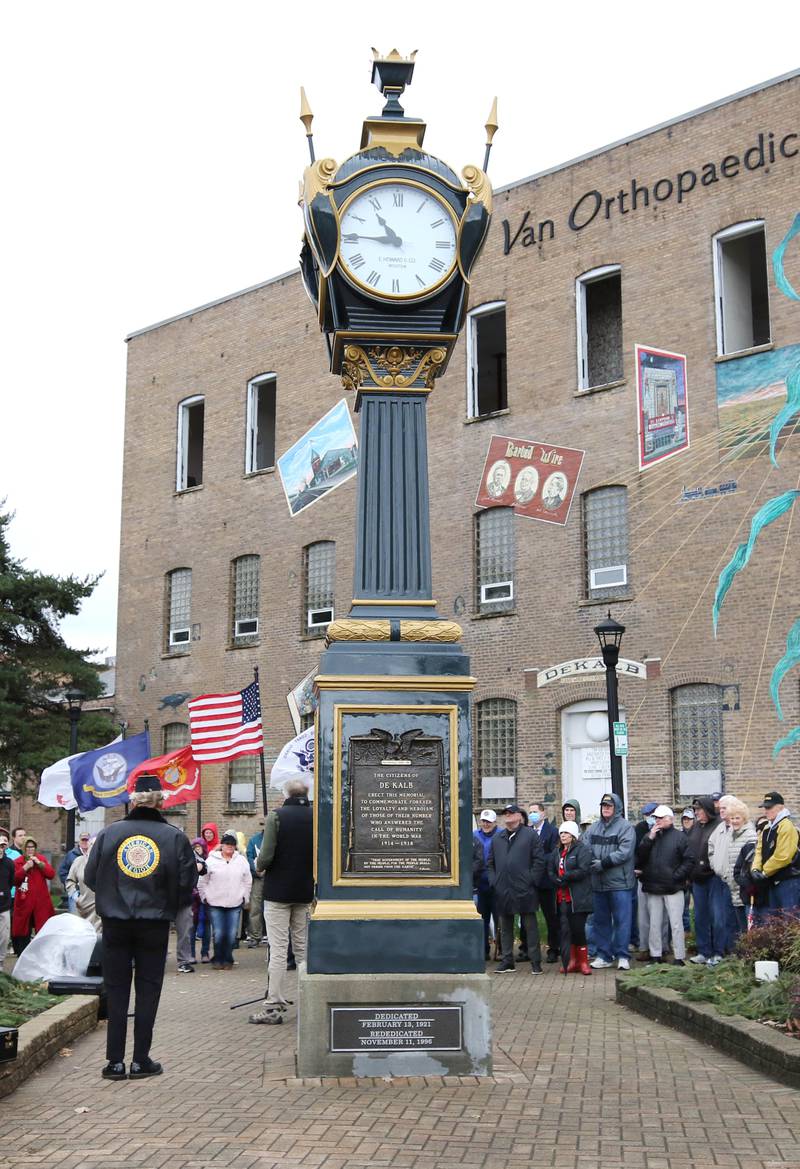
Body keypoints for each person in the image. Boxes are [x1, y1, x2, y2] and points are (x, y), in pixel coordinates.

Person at [84, 773, 198, 1080]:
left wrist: (111, 898)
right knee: (148, 990)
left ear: (133, 800)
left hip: (116, 922)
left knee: (117, 988)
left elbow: (90, 877)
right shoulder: (173, 837)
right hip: (153, 922)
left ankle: (114, 1062)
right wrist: (167, 904)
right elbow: (188, 882)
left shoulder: (110, 833)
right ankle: (140, 1059)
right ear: (161, 801)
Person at [250, 780, 313, 1024]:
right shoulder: (316, 816)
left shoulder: (277, 816)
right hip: (304, 890)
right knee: (302, 950)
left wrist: (259, 866)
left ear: (286, 793)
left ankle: (272, 1004)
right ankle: (307, 999)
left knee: (277, 950)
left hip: (278, 892)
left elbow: (265, 855)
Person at [487, 803, 545, 974]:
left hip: (524, 888)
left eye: (511, 813)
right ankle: (507, 961)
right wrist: (494, 881)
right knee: (505, 927)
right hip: (503, 889)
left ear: (519, 816)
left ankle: (535, 962)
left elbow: (539, 860)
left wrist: (531, 879)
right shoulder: (498, 838)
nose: (508, 817)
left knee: (530, 926)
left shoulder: (530, 835)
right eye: (505, 814)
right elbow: (490, 863)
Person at [635, 806, 693, 965]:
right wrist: (649, 838)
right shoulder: (650, 836)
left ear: (670, 819)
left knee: (676, 923)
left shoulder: (680, 837)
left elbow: (689, 860)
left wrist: (676, 877)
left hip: (673, 887)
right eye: (656, 818)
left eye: (661, 818)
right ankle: (655, 955)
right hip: (653, 886)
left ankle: (679, 956)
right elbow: (640, 857)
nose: (657, 821)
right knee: (654, 922)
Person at [584, 794, 636, 971]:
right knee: (601, 921)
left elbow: (625, 852)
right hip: (598, 883)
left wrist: (603, 863)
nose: (606, 808)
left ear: (617, 808)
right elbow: (585, 847)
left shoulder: (626, 827)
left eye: (609, 806)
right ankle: (604, 955)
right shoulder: (593, 828)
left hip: (620, 883)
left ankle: (622, 956)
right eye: (603, 805)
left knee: (622, 921)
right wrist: (592, 862)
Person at [198, 831, 252, 970]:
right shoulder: (211, 860)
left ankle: (228, 959)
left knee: (231, 934)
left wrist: (245, 897)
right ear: (221, 845)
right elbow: (202, 880)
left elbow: (247, 880)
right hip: (215, 902)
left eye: (232, 845)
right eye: (227, 844)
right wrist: (204, 896)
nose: (229, 847)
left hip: (235, 902)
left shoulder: (241, 861)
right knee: (219, 932)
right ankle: (218, 958)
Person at [549, 821, 593, 974]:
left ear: (573, 835)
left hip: (577, 897)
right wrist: (555, 878)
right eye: (561, 833)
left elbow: (583, 869)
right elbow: (551, 869)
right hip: (561, 897)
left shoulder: (582, 850)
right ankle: (571, 960)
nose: (563, 836)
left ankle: (583, 962)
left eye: (566, 833)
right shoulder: (557, 852)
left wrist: (566, 876)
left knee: (578, 929)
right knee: (565, 931)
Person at [751, 791, 800, 916]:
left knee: (789, 922)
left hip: (788, 881)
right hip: (772, 880)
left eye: (769, 807)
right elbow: (759, 850)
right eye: (765, 808)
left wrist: (764, 872)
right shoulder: (767, 828)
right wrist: (755, 868)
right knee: (774, 923)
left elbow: (783, 856)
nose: (766, 811)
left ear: (781, 808)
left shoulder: (786, 826)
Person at [686, 796, 720, 964]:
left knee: (716, 915)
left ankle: (718, 951)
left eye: (699, 810)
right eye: (695, 810)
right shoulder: (696, 827)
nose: (696, 813)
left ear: (707, 810)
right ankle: (703, 951)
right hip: (697, 879)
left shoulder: (719, 826)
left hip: (713, 878)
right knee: (700, 915)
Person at [717, 799, 757, 937]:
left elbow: (751, 861)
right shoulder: (730, 835)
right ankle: (742, 953)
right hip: (733, 885)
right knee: (739, 926)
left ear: (744, 818)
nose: (734, 821)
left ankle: (750, 954)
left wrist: (746, 881)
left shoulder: (750, 834)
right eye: (732, 818)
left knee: (749, 924)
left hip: (745, 886)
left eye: (737, 818)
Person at [12, 838, 56, 952]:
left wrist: (39, 863)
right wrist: (25, 867)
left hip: (40, 903)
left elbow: (51, 874)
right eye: (28, 847)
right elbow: (15, 880)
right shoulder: (18, 861)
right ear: (24, 848)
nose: (30, 849)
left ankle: (41, 953)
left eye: (32, 847)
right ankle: (22, 953)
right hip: (24, 903)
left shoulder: (41, 859)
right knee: (23, 930)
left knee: (42, 928)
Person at [529, 801, 560, 963]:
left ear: (543, 814)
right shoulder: (527, 832)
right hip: (531, 882)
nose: (532, 814)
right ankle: (527, 949)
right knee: (528, 916)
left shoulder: (552, 832)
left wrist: (538, 860)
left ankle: (554, 948)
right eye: (530, 812)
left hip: (547, 882)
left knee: (551, 917)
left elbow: (553, 854)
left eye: (535, 811)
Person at [175, 842, 207, 973]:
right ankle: (156, 959)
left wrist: (198, 867)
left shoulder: (188, 851)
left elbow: (203, 865)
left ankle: (184, 961)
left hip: (183, 897)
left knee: (185, 930)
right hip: (163, 898)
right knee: (157, 932)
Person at [473, 810, 499, 960]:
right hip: (480, 884)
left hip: (496, 884)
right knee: (482, 919)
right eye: (483, 821)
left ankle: (501, 949)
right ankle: (484, 950)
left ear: (494, 822)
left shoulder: (501, 835)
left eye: (488, 821)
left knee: (499, 919)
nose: (486, 824)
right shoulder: (474, 835)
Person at [65, 839, 101, 933]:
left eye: (96, 844)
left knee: (97, 939)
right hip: (82, 906)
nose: (94, 847)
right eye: (92, 844)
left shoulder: (105, 863)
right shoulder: (79, 861)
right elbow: (70, 881)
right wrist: (75, 896)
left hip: (100, 909)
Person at [246, 821, 266, 948]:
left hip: (274, 879)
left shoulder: (279, 839)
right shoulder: (254, 840)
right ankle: (255, 936)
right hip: (258, 878)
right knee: (255, 908)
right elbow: (249, 856)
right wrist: (257, 871)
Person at [58, 831, 91, 896]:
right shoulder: (71, 854)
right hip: (75, 891)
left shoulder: (94, 854)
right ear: (79, 841)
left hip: (89, 892)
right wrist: (71, 887)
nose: (84, 842)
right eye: (83, 840)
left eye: (86, 840)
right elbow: (62, 872)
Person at [0, 833, 14, 964]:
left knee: (4, 937)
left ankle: (1, 964)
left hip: (4, 906)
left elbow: (10, 882)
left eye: (2, 846)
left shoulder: (9, 863)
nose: (0, 848)